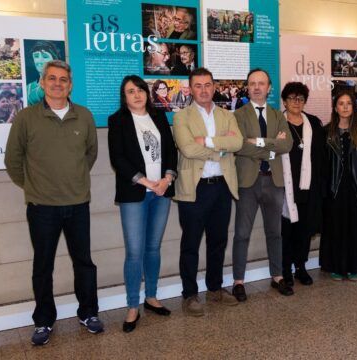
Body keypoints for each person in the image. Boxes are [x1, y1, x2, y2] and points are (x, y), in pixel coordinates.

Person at [4, 60, 102, 346]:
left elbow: (90, 155)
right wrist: (33, 187)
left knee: (84, 261)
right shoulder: (25, 118)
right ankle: (44, 320)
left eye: (63, 80)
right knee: (43, 265)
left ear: (70, 85)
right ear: (43, 83)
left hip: (78, 203)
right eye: (52, 79)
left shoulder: (83, 116)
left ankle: (88, 313)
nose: (58, 84)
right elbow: (13, 160)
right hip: (42, 207)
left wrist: (74, 181)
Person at [108, 75, 177, 332]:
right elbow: (119, 159)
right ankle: (132, 306)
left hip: (162, 192)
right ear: (124, 97)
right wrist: (150, 183)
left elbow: (171, 150)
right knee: (135, 252)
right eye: (130, 91)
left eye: (139, 90)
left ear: (147, 93)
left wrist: (167, 179)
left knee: (153, 248)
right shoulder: (117, 121)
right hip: (136, 193)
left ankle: (151, 297)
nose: (136, 95)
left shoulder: (159, 117)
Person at [173, 67, 243, 316]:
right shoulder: (181, 117)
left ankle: (215, 289)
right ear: (191, 89)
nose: (203, 90)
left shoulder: (227, 115)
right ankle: (189, 294)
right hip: (195, 189)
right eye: (198, 86)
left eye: (208, 85)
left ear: (214, 87)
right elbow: (189, 150)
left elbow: (237, 142)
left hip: (222, 187)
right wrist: (221, 149)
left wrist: (209, 141)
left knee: (218, 242)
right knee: (190, 244)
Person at [232, 68, 294, 301]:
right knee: (241, 234)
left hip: (274, 182)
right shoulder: (237, 115)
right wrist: (270, 147)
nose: (256, 87)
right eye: (252, 83)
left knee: (274, 232)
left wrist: (257, 142)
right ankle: (238, 281)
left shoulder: (278, 116)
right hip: (248, 182)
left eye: (261, 83)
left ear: (269, 88)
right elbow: (239, 145)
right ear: (247, 87)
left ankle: (277, 276)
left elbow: (286, 145)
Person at [319, 92, 357, 280]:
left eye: (349, 104)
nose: (345, 107)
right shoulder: (326, 133)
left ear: (354, 108)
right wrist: (322, 192)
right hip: (333, 190)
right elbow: (320, 165)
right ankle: (335, 265)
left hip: (354, 190)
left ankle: (353, 266)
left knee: (354, 228)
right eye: (341, 104)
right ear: (335, 108)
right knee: (334, 228)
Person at [280, 82, 326, 285]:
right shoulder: (277, 123)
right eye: (292, 98)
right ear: (285, 100)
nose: (296, 102)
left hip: (308, 186)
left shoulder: (314, 123)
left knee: (305, 229)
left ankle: (300, 266)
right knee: (286, 230)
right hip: (284, 187)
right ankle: (285, 269)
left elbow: (321, 156)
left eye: (300, 99)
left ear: (305, 101)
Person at [27, 41, 62, 105]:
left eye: (45, 56)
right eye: (36, 56)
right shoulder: (28, 87)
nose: (40, 61)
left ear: (54, 59)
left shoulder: (60, 84)